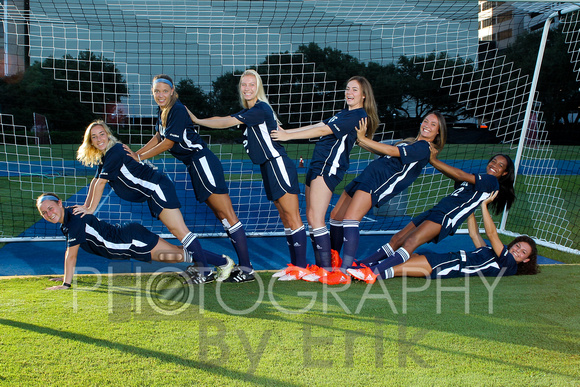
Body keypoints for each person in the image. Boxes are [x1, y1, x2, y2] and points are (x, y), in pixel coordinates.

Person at [123, 74, 253, 283]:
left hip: (202, 162)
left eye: (165, 91)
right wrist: (136, 154)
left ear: (172, 91)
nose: (161, 95)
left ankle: (246, 269)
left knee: (227, 215)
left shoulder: (178, 109)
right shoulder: (163, 111)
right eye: (157, 91)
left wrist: (139, 157)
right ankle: (238, 267)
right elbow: (158, 137)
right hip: (195, 166)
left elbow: (168, 144)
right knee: (223, 216)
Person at [74, 120, 234, 284]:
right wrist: (86, 206)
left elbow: (101, 183)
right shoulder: (106, 155)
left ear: (108, 134)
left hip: (158, 189)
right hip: (154, 192)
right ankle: (215, 264)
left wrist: (91, 209)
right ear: (90, 141)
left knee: (180, 231)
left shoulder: (115, 151)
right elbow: (95, 182)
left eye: (102, 134)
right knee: (178, 231)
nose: (99, 139)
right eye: (94, 137)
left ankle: (208, 269)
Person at [187, 69, 307, 277]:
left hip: (277, 165)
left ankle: (302, 268)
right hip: (268, 168)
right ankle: (294, 268)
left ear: (258, 87)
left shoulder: (259, 109)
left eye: (252, 84)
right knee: (285, 218)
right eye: (244, 85)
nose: (247, 88)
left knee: (293, 217)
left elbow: (226, 121)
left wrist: (198, 120)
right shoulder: (254, 111)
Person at [270, 75, 380, 282]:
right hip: (317, 165)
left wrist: (288, 137)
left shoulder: (357, 115)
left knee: (315, 218)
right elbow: (317, 124)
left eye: (355, 90)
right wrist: (287, 132)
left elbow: (322, 130)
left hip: (328, 168)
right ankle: (318, 267)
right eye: (348, 89)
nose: (349, 93)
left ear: (364, 95)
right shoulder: (343, 114)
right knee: (312, 218)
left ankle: (327, 270)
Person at [320, 111, 447, 285]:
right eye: (426, 121)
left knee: (350, 219)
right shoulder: (412, 143)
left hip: (378, 181)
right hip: (367, 175)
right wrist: (360, 140)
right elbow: (382, 151)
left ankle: (344, 272)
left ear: (438, 132)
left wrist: (363, 138)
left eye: (433, 125)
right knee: (336, 215)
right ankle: (334, 263)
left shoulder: (423, 148)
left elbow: (391, 150)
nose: (427, 125)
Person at [353, 152, 517, 277]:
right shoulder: (479, 179)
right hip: (436, 210)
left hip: (446, 216)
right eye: (494, 161)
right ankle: (361, 264)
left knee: (411, 241)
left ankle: (373, 272)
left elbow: (459, 174)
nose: (495, 165)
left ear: (504, 173)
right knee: (397, 239)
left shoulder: (491, 181)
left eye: (501, 165)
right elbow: (456, 177)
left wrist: (433, 160)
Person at [37, 193, 230, 290]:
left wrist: (66, 284)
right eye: (44, 212)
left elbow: (71, 256)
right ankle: (206, 265)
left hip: (131, 240)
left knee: (177, 255)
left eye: (51, 208)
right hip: (129, 241)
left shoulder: (73, 220)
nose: (49, 214)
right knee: (177, 254)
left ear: (60, 203)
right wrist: (64, 279)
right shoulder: (69, 219)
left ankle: (223, 262)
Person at [347, 191, 538, 283]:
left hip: (452, 266)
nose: (517, 250)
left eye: (522, 252)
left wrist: (484, 205)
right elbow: (474, 234)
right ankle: (363, 269)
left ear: (526, 260)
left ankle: (364, 276)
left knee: (398, 267)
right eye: (518, 246)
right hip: (449, 259)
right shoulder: (493, 253)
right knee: (408, 257)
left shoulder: (508, 265)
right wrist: (469, 206)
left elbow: (491, 233)